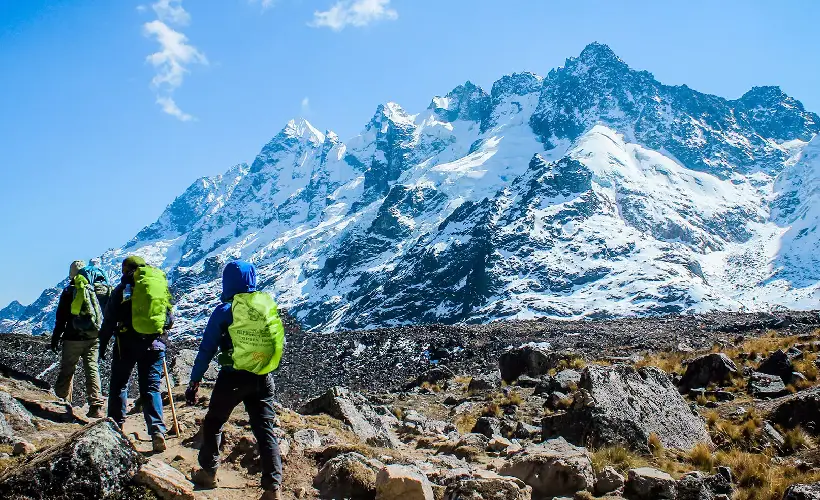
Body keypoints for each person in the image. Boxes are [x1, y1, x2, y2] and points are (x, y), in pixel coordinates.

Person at [186, 260, 285, 500]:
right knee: (265, 430)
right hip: (262, 376)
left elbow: (207, 348)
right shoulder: (264, 307)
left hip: (232, 378)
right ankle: (273, 487)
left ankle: (208, 473)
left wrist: (194, 381)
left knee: (214, 422)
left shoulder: (223, 311)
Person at [99, 255, 174, 452]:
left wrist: (103, 342)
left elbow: (109, 319)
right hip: (155, 344)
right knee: (151, 388)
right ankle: (157, 431)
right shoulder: (158, 286)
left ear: (126, 270)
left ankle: (115, 429)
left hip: (127, 343)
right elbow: (169, 320)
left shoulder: (122, 289)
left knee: (119, 385)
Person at [51, 260, 106, 418]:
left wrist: (56, 337)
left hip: (72, 337)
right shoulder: (98, 289)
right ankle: (96, 407)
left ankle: (61, 403)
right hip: (93, 337)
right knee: (92, 368)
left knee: (68, 369)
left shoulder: (70, 291)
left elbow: (61, 317)